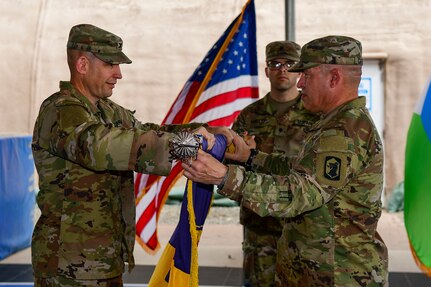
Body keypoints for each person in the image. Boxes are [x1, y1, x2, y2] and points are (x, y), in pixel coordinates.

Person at [31, 23, 231, 286]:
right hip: (67, 265)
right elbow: (99, 146)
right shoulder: (59, 111)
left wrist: (204, 131)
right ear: (82, 65)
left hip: (104, 258)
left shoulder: (108, 111)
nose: (119, 74)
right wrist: (184, 144)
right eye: (110, 64)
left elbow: (148, 131)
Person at [182, 35, 389, 286]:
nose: (299, 82)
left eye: (307, 75)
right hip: (314, 269)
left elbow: (300, 193)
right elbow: (300, 170)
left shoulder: (344, 131)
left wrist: (225, 177)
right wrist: (252, 157)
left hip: (336, 275)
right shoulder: (335, 122)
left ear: (334, 78)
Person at [230, 40, 317, 287]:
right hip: (260, 226)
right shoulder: (249, 115)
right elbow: (233, 165)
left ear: (300, 70)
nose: (282, 70)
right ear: (266, 70)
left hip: (301, 224)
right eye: (275, 64)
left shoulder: (316, 116)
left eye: (289, 64)